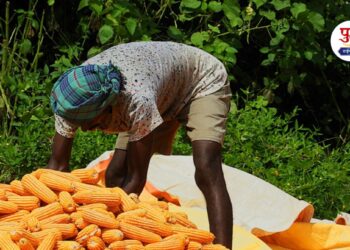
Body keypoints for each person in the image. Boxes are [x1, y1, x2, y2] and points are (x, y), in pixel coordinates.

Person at [48, 41, 233, 248]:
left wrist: (106, 221)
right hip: (160, 87)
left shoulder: (136, 100)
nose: (83, 129)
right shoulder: (70, 101)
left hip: (200, 82)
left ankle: (223, 246)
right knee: (114, 174)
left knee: (206, 167)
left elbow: (137, 178)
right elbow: (57, 168)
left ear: (109, 107)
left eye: (91, 124)